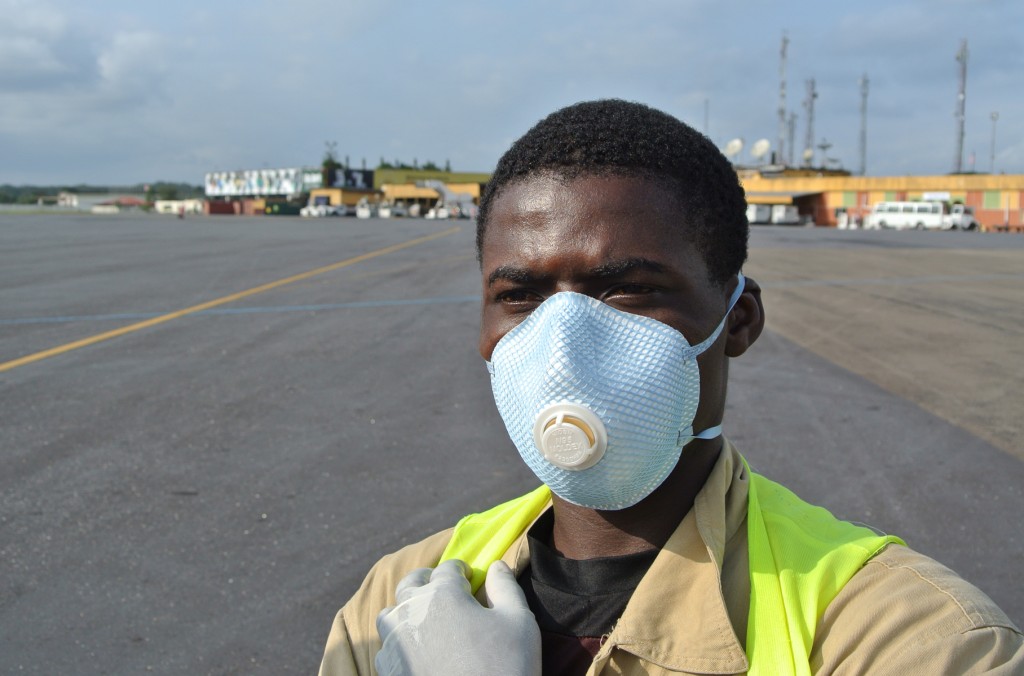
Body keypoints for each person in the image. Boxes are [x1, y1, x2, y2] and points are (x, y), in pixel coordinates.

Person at [319, 100, 1023, 675]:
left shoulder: (910, 641)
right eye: (521, 295)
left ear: (737, 319)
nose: (562, 344)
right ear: (483, 330)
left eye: (626, 289)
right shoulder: (390, 602)